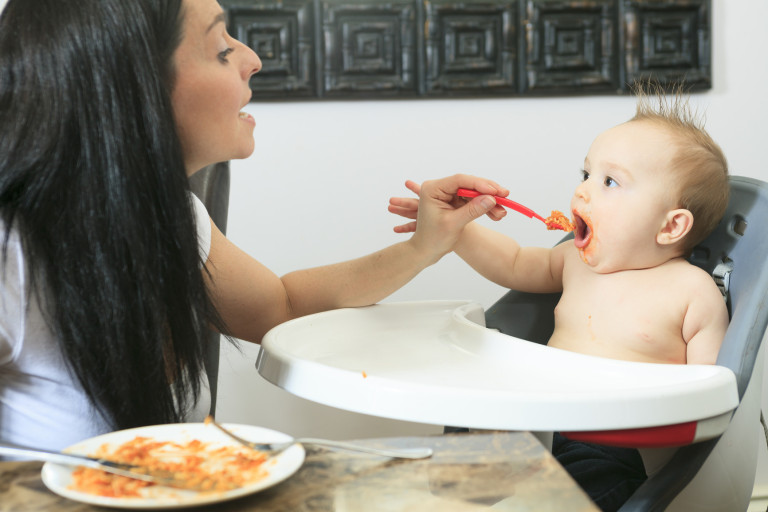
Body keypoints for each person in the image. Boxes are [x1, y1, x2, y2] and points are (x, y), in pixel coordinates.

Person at [0, 0, 509, 452]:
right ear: (132, 86)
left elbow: (281, 308)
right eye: (221, 50)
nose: (252, 59)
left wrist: (425, 246)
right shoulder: (12, 252)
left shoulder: (173, 215)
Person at [389, 85, 730, 511]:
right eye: (585, 175)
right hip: (533, 414)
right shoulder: (575, 259)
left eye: (609, 181)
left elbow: (709, 394)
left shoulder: (691, 291)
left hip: (609, 440)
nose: (582, 192)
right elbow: (513, 262)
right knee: (471, 421)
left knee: (595, 486)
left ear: (671, 226)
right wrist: (456, 231)